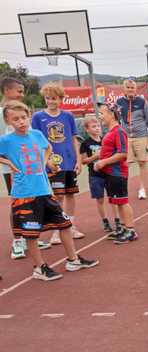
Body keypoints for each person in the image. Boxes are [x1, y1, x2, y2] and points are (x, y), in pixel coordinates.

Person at [0, 101, 98, 280]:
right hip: (24, 194)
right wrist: (9, 164)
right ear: (8, 122)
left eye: (24, 117)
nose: (21, 122)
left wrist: (45, 162)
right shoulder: (6, 140)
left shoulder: (37, 134)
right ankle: (40, 268)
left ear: (29, 117)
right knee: (32, 234)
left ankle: (73, 260)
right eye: (16, 119)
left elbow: (49, 148)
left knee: (65, 225)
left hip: (45, 190)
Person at [1, 77, 52, 260]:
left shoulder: (20, 113)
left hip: (30, 166)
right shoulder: (4, 114)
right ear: (7, 91)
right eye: (19, 91)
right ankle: (17, 240)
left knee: (32, 202)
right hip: (13, 169)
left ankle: (30, 235)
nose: (22, 95)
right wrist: (8, 163)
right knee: (18, 204)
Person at [31, 82, 84, 245]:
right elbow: (36, 142)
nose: (51, 101)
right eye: (48, 98)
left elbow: (74, 139)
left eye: (54, 98)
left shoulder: (68, 116)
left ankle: (71, 226)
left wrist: (79, 160)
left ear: (60, 99)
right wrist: (45, 161)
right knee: (57, 196)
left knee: (70, 194)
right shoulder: (38, 117)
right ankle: (57, 230)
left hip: (69, 162)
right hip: (52, 164)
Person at [94, 103, 138, 244]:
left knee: (123, 201)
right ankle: (124, 228)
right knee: (117, 201)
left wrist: (104, 162)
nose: (100, 116)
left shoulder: (119, 131)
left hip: (117, 173)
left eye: (102, 113)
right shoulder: (110, 132)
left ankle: (131, 230)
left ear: (111, 114)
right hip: (110, 173)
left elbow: (123, 154)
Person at [79, 115, 120, 233]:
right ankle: (105, 221)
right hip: (95, 175)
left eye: (98, 126)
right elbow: (84, 161)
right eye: (93, 126)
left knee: (113, 198)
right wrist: (96, 156)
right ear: (87, 129)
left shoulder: (105, 140)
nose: (97, 128)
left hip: (108, 173)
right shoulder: (85, 144)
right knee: (100, 199)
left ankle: (117, 220)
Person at [116, 78, 148, 200]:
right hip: (126, 137)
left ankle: (142, 188)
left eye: (132, 87)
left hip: (141, 136)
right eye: (128, 87)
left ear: (135, 89)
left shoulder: (142, 102)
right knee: (125, 163)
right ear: (124, 89)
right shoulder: (119, 102)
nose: (130, 89)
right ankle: (123, 188)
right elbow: (117, 120)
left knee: (142, 162)